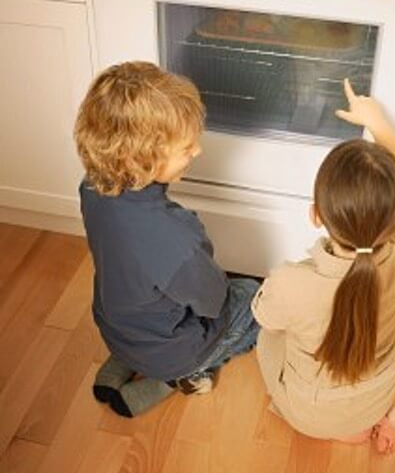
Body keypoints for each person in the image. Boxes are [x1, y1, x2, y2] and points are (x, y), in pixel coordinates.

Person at [251, 78, 395, 454]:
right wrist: (377, 123)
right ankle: (390, 405)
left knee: (267, 335)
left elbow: (266, 320)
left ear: (316, 215)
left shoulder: (290, 283)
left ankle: (338, 427)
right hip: (374, 396)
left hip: (310, 412)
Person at [74, 61, 259, 417]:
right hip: (173, 350)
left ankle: (125, 359)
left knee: (149, 302)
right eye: (187, 146)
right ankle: (178, 377)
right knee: (252, 296)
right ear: (142, 158)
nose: (198, 151)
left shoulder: (90, 187)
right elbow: (212, 302)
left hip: (116, 327)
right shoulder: (177, 240)